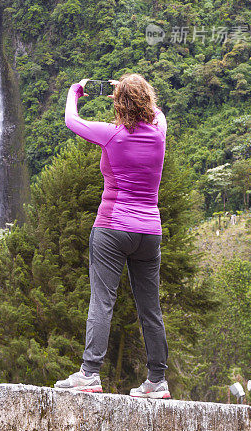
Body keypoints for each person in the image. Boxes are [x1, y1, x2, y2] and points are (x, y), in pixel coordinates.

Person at [54, 73, 170, 398]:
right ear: (147, 100)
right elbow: (157, 112)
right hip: (149, 232)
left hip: (112, 228)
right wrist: (134, 92)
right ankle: (157, 381)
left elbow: (71, 119)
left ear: (118, 103)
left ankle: (90, 374)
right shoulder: (159, 132)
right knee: (151, 308)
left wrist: (74, 90)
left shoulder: (112, 134)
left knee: (102, 301)